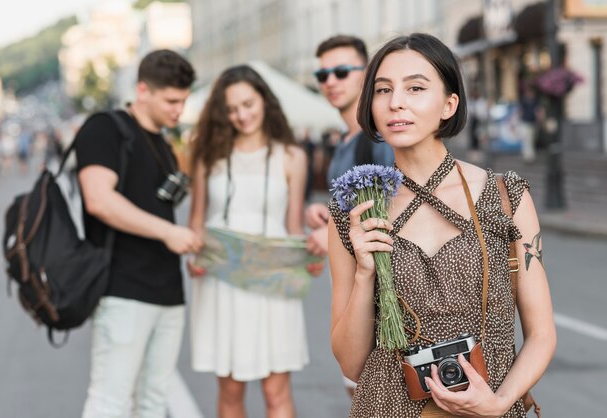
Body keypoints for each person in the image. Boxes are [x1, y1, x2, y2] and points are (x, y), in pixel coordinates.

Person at [327, 33, 556, 417]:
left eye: (415, 87)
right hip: (388, 407)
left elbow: (541, 334)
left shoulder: (505, 196)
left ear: (449, 104)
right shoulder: (356, 210)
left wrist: (498, 404)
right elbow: (351, 365)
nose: (395, 101)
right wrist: (367, 271)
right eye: (383, 90)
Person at [75, 49, 201, 418]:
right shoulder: (106, 128)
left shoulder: (162, 141)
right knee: (109, 402)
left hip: (168, 290)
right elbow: (98, 199)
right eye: (171, 101)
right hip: (122, 290)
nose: (179, 110)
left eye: (184, 101)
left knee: (153, 402)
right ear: (143, 90)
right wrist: (168, 232)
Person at [187, 65, 309, 418]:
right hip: (220, 279)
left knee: (276, 391)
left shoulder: (291, 157)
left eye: (248, 104)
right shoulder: (208, 156)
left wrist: (311, 251)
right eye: (232, 108)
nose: (241, 115)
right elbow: (196, 222)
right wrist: (192, 256)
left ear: (264, 100)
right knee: (230, 390)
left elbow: (293, 227)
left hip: (272, 278)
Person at [305, 34, 395, 397]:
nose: (330, 82)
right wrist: (328, 218)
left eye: (341, 71)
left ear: (366, 74)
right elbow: (352, 209)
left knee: (370, 395)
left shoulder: (378, 137)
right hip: (351, 288)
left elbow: (391, 209)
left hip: (378, 294)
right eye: (322, 75)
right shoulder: (346, 139)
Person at [518, 88, 541, 162]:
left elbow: (537, 111)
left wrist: (538, 120)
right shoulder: (524, 101)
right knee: (526, 139)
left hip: (532, 123)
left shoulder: (535, 102)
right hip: (525, 122)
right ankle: (527, 155)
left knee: (531, 139)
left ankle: (530, 155)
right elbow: (521, 111)